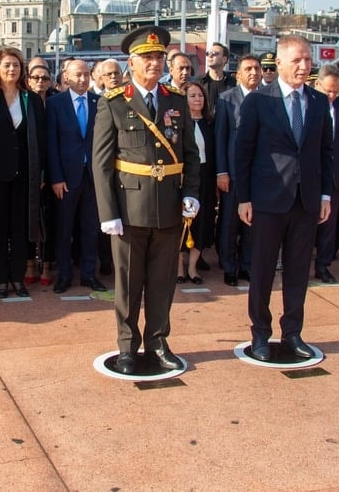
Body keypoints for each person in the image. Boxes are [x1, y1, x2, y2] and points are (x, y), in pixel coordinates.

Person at [92, 25, 200, 374]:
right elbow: (101, 162)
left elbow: (190, 154)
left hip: (169, 206)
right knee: (127, 283)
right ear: (131, 62)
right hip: (128, 208)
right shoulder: (113, 102)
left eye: (158, 57)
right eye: (146, 58)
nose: (154, 63)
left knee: (162, 281)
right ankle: (127, 345)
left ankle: (158, 341)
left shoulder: (176, 98)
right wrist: (108, 212)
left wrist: (191, 193)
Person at [235, 35, 333, 361]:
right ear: (278, 63)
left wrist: (324, 194)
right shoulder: (259, 102)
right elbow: (243, 153)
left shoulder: (319, 103)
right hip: (266, 201)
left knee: (297, 271)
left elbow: (325, 152)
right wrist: (244, 198)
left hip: (305, 202)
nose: (304, 66)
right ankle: (260, 334)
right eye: (297, 61)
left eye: (308, 60)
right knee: (262, 271)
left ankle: (293, 333)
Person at [0, 48, 45, 299]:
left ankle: (18, 278)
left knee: (20, 229)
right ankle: (1, 279)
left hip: (25, 175)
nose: (11, 69)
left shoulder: (32, 99)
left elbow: (42, 139)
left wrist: (42, 173)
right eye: (6, 65)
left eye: (16, 65)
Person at [46, 59, 105, 293]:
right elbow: (51, 143)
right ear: (66, 77)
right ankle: (64, 274)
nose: (82, 79)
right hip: (65, 179)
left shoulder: (99, 102)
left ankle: (89, 274)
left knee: (91, 227)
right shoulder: (55, 104)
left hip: (92, 177)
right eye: (77, 75)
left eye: (86, 74)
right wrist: (56, 178)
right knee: (64, 228)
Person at [214, 54, 261, 286]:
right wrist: (221, 171)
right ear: (238, 74)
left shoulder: (268, 98)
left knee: (253, 223)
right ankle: (229, 266)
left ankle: (247, 265)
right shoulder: (226, 100)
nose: (253, 73)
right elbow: (220, 138)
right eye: (248, 69)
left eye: (257, 68)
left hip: (259, 175)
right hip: (232, 174)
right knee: (230, 222)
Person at [313, 64, 339, 283]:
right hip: (311, 175)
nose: (332, 95)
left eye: (336, 91)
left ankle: (323, 265)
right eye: (328, 90)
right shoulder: (308, 104)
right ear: (317, 84)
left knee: (329, 224)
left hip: (335, 176)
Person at [179, 81, 215, 284]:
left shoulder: (210, 123)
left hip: (206, 177)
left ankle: (193, 267)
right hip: (183, 177)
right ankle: (178, 268)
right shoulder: (179, 122)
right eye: (192, 96)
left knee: (202, 221)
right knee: (181, 221)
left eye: (200, 95)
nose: (197, 99)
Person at [197, 42, 235, 115]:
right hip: (205, 124)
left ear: (224, 59)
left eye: (214, 53)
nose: (210, 56)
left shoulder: (233, 82)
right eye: (208, 53)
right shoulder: (199, 82)